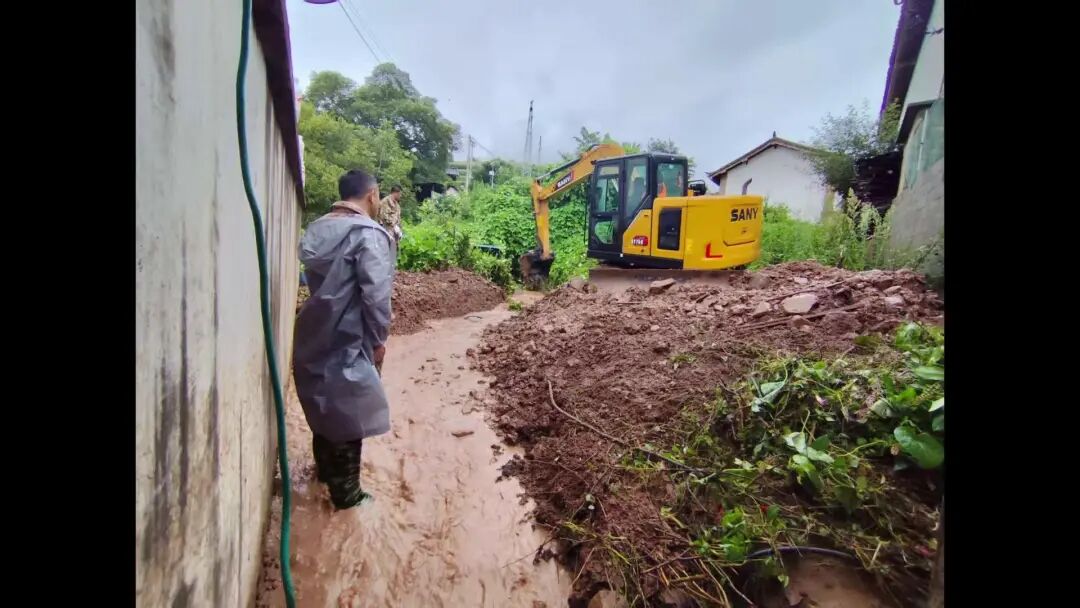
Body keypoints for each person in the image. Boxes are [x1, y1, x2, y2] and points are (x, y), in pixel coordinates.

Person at [292, 169, 395, 510]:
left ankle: (324, 474)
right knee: (351, 412)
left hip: (314, 330)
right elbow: (376, 297)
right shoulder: (368, 235)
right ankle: (347, 497)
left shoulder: (317, 229)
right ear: (372, 194)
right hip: (351, 335)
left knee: (323, 403)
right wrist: (380, 339)